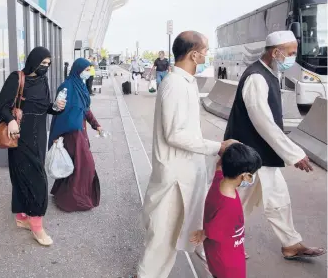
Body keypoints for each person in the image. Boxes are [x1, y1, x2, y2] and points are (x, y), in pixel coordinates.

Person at [129, 31, 237, 278]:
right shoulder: (175, 85)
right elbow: (175, 135)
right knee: (164, 235)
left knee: (176, 232)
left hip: (185, 172)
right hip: (175, 176)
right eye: (205, 50)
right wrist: (216, 147)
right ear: (193, 54)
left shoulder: (184, 82)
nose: (206, 55)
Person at [224, 30, 326, 260]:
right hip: (246, 156)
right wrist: (293, 154)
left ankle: (291, 244)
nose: (293, 57)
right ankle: (215, 242)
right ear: (276, 52)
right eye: (290, 53)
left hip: (261, 154)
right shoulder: (256, 77)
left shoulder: (270, 74)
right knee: (235, 201)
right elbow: (264, 122)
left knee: (278, 198)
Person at [0, 47, 65, 246]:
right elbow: (2, 106)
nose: (45, 68)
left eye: (48, 64)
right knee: (33, 178)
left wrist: (56, 108)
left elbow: (45, 107)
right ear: (33, 61)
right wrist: (10, 120)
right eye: (43, 64)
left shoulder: (43, 81)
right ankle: (37, 226)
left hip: (39, 134)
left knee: (31, 174)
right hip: (20, 136)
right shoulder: (17, 78)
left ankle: (22, 217)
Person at [190, 143, 262, 278]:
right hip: (228, 261)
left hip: (219, 254)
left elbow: (218, 166)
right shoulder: (229, 205)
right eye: (252, 174)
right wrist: (203, 233)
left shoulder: (218, 181)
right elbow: (212, 230)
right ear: (244, 176)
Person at [49, 58, 102, 212]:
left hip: (80, 131)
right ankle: (73, 201)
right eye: (86, 69)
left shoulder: (81, 87)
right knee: (84, 165)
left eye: (89, 69)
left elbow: (85, 109)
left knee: (75, 165)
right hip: (70, 132)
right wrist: (57, 135)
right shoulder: (66, 87)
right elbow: (58, 112)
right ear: (78, 70)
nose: (88, 72)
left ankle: (65, 196)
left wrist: (96, 124)